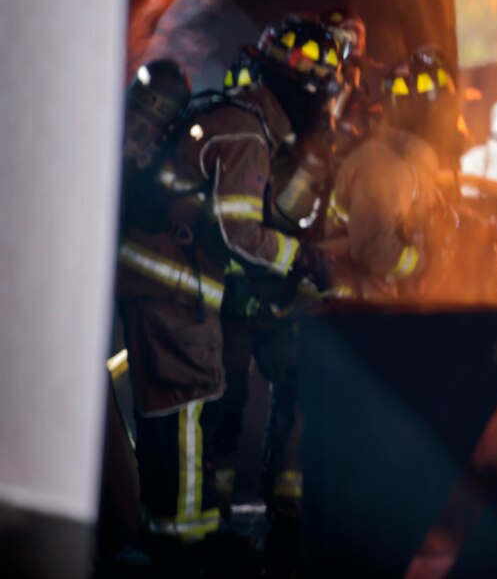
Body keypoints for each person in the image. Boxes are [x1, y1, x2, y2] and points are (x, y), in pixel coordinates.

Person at [115, 41, 334, 574]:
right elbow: (238, 233)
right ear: (300, 90)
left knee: (167, 411)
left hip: (150, 276)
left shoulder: (228, 116)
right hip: (175, 285)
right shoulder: (245, 133)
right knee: (189, 404)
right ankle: (190, 544)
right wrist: (299, 256)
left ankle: (164, 532)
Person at [330, 47, 497, 302]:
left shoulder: (413, 162)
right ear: (436, 116)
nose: (456, 125)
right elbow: (374, 248)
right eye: (451, 114)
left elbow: (420, 216)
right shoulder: (386, 166)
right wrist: (428, 263)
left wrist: (463, 227)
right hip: (361, 322)